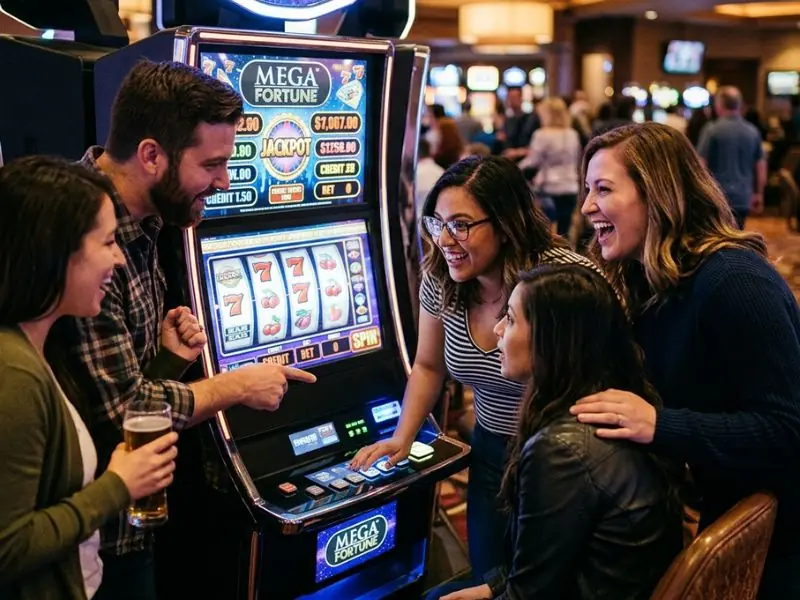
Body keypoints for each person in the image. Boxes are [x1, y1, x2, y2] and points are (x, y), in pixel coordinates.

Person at [47, 60, 316, 600]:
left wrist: (168, 360)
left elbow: (121, 386)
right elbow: (123, 409)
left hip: (140, 509)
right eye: (212, 164)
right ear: (152, 155)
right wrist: (240, 384)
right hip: (92, 529)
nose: (223, 181)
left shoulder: (147, 218)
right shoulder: (80, 233)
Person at [571, 122, 800, 599]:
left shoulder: (734, 280)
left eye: (603, 189)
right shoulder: (651, 281)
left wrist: (661, 424)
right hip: (724, 494)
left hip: (782, 526)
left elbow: (787, 430)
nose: (586, 206)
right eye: (586, 189)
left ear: (657, 194)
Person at [350, 156, 602, 577]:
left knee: (546, 582)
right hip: (491, 450)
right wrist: (402, 436)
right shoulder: (442, 277)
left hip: (565, 457)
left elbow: (607, 375)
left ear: (505, 224)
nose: (446, 239)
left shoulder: (561, 280)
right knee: (490, 573)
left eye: (461, 225)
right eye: (437, 223)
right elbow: (429, 366)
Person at [427, 265, 682, 600]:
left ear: (552, 340)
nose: (498, 329)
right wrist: (493, 587)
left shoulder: (561, 449)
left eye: (513, 319)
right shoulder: (609, 400)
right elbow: (554, 554)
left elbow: (532, 594)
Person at [0, 156, 180, 600]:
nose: (119, 259)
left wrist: (170, 361)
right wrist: (118, 487)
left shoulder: (40, 346)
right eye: (107, 242)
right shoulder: (14, 373)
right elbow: (7, 548)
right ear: (57, 253)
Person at [697, 86, 766, 229]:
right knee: (738, 235)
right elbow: (760, 166)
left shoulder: (711, 130)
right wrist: (759, 193)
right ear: (739, 105)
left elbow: (701, 164)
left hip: (717, 196)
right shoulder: (752, 131)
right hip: (743, 196)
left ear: (719, 105)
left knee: (717, 237)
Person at [519, 97, 582, 236]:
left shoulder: (542, 134)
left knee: (547, 232)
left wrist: (515, 167)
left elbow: (533, 161)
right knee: (564, 231)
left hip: (548, 187)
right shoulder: (572, 134)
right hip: (570, 186)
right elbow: (577, 159)